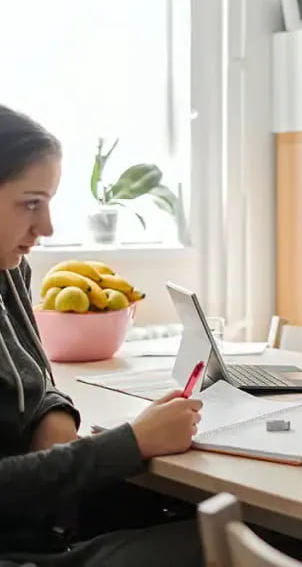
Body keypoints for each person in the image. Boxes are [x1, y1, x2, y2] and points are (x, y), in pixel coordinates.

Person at [0, 105, 204, 566]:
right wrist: (131, 442)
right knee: (250, 545)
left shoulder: (9, 268)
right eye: (30, 203)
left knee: (241, 521)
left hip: (44, 519)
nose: (46, 227)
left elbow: (32, 375)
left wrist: (51, 412)